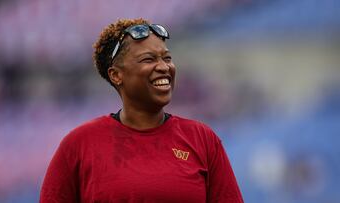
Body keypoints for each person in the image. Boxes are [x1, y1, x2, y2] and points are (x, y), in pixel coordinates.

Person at [40, 18, 244, 203]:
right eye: (148, 59)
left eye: (167, 58)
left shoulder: (203, 139)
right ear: (116, 75)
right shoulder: (79, 144)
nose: (164, 67)